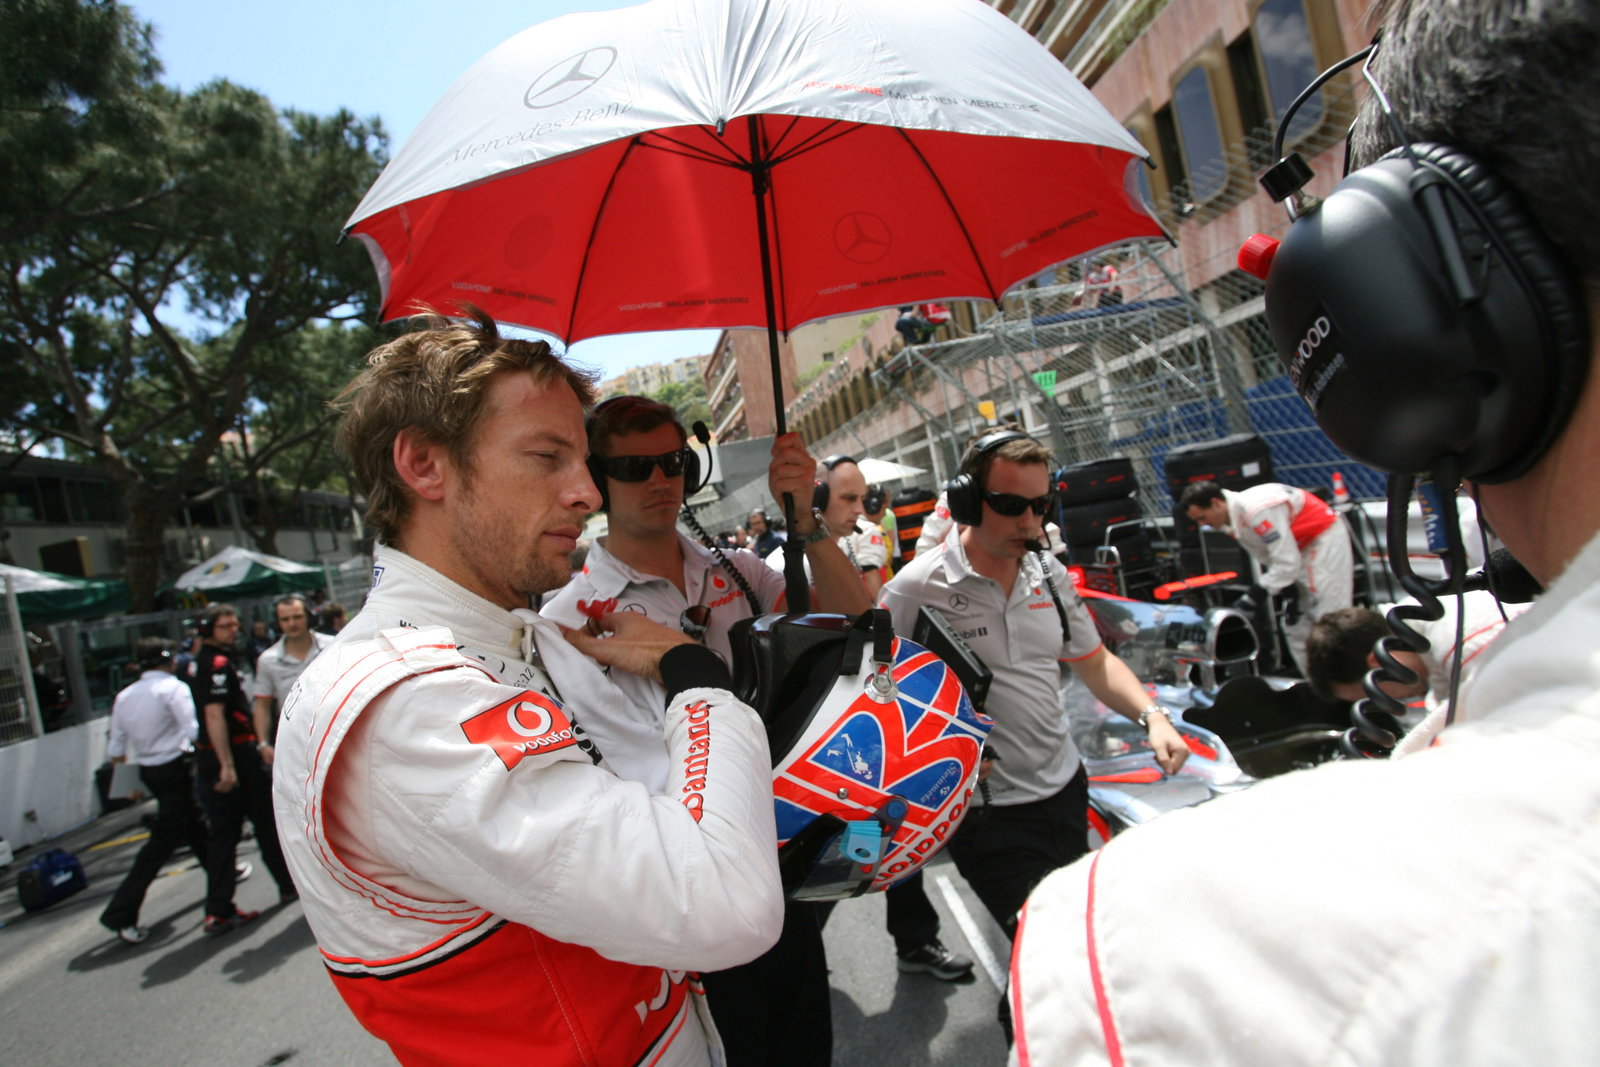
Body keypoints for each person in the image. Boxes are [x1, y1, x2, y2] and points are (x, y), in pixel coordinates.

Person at [1009, 3, 1600, 1062]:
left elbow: (1276, 549)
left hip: (1321, 545)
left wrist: (1287, 599)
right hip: (1309, 546)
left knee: (1315, 605)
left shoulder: (1157, 949)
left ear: (1390, 337)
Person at [271, 309, 782, 1066]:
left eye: (583, 460)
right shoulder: (405, 696)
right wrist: (694, 674)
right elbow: (724, 898)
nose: (587, 492)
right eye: (547, 457)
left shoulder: (514, 637)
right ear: (424, 465)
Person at [541, 395, 870, 1065]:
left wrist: (805, 518)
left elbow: (857, 617)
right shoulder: (571, 616)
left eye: (674, 461)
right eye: (635, 467)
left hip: (786, 859)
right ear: (598, 479)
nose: (661, 480)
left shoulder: (731, 567)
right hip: (695, 885)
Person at [878, 429, 1189, 961]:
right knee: (1047, 956)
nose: (1031, 522)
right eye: (1011, 505)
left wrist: (1153, 717)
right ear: (968, 503)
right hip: (985, 815)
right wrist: (936, 756)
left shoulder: (1050, 574)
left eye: (1041, 505)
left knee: (1081, 947)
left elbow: (1094, 662)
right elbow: (876, 698)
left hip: (1067, 791)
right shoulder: (915, 587)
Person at [99, 638, 235, 944]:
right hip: (176, 768)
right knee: (162, 843)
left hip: (150, 773)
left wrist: (129, 787)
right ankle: (120, 913)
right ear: (168, 660)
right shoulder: (173, 688)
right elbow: (194, 731)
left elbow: (117, 747)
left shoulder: (124, 696)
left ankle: (222, 875)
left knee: (195, 828)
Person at [1306, 592, 1530, 756]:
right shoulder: (1424, 609)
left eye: (1372, 696)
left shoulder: (1461, 648)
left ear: (1376, 661)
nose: (1391, 703)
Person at [187, 603, 297, 928]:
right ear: (208, 630)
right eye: (225, 626)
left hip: (220, 755)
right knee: (262, 824)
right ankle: (288, 886)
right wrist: (227, 765)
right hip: (233, 757)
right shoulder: (216, 663)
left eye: (235, 625)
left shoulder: (199, 662)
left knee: (227, 833)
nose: (233, 630)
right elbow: (213, 714)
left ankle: (220, 907)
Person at [1179, 478, 1353, 676]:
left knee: (1330, 619)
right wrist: (1285, 586)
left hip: (1321, 541)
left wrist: (1255, 595)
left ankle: (1348, 682)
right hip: (1295, 553)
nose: (1204, 524)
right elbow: (1276, 559)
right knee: (1294, 625)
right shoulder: (1234, 520)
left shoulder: (1256, 511)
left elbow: (1286, 562)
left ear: (1216, 503)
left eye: (1203, 517)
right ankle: (1320, 686)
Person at [769, 454, 891, 599]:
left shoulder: (848, 545)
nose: (860, 509)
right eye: (849, 498)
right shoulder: (785, 567)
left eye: (862, 499)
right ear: (817, 497)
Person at [251, 593, 333, 754]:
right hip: (294, 741)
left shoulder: (333, 646)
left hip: (333, 729)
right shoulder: (268, 660)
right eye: (285, 619)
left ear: (310, 617)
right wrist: (263, 743)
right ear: (277, 623)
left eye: (298, 617)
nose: (292, 623)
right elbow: (262, 705)